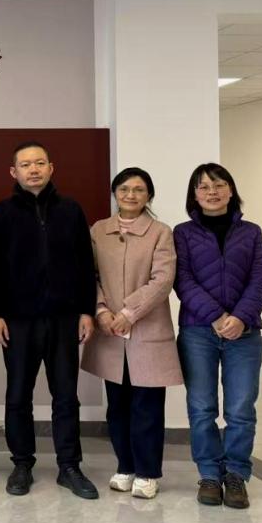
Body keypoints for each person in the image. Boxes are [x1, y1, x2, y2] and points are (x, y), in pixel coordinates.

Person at [0, 142, 99, 500]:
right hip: (18, 319)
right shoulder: (1, 213)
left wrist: (86, 311)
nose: (33, 170)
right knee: (18, 394)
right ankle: (22, 464)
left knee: (65, 395)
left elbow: (85, 264)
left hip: (64, 317)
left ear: (51, 168)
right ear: (13, 172)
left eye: (39, 163)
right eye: (25, 165)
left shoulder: (71, 210)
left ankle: (69, 466)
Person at [80, 167, 180, 500]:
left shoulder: (160, 232)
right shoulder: (99, 230)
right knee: (117, 406)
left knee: (147, 407)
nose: (131, 195)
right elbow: (89, 275)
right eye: (124, 189)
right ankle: (125, 466)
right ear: (115, 193)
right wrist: (101, 310)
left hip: (147, 331)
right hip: (109, 331)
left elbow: (162, 279)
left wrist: (128, 313)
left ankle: (148, 472)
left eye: (139, 189)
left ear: (149, 195)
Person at [174, 163, 262, 510]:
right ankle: (210, 475)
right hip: (198, 331)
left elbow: (260, 279)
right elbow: (182, 280)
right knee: (202, 407)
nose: (211, 192)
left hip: (245, 332)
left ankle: (236, 475)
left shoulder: (252, 232)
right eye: (203, 187)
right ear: (194, 195)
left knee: (241, 408)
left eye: (218, 184)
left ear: (231, 190)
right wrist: (216, 316)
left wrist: (240, 318)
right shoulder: (183, 233)